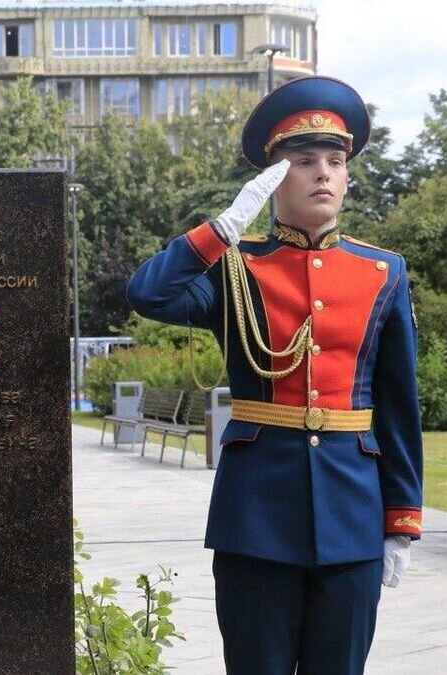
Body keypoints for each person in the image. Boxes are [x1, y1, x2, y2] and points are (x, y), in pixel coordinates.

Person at [126, 76, 423, 674]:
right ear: (272, 177)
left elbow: (398, 406)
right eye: (304, 160)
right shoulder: (235, 269)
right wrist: (221, 229)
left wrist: (402, 518)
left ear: (346, 176)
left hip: (352, 513)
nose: (322, 173)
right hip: (256, 513)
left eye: (334, 162)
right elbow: (147, 295)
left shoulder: (383, 272)